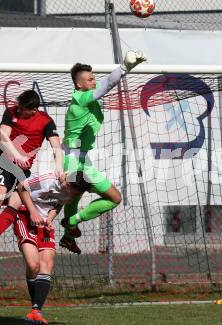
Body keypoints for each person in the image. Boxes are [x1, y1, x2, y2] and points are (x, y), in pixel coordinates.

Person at [60, 50, 147, 254]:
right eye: (90, 79)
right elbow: (107, 84)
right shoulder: (81, 99)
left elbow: (106, 82)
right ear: (79, 84)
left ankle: (68, 233)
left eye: (93, 78)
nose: (94, 82)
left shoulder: (86, 96)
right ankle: (70, 222)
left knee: (74, 197)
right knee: (114, 198)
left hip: (80, 160)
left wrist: (128, 69)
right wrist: (124, 67)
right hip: (74, 161)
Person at [0, 89, 64, 256]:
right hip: (3, 162)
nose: (18, 110)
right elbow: (4, 139)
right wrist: (17, 155)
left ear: (33, 110)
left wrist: (59, 167)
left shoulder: (45, 121)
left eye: (22, 109)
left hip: (23, 171)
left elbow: (56, 147)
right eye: (18, 106)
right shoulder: (10, 112)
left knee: (16, 204)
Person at [15, 170, 90, 324]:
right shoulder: (48, 180)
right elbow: (21, 187)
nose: (73, 196)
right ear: (67, 183)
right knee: (33, 265)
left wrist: (49, 219)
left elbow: (58, 204)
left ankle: (36, 311)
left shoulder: (70, 192)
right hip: (25, 216)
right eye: (73, 192)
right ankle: (34, 304)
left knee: (47, 263)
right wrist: (33, 212)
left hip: (44, 223)